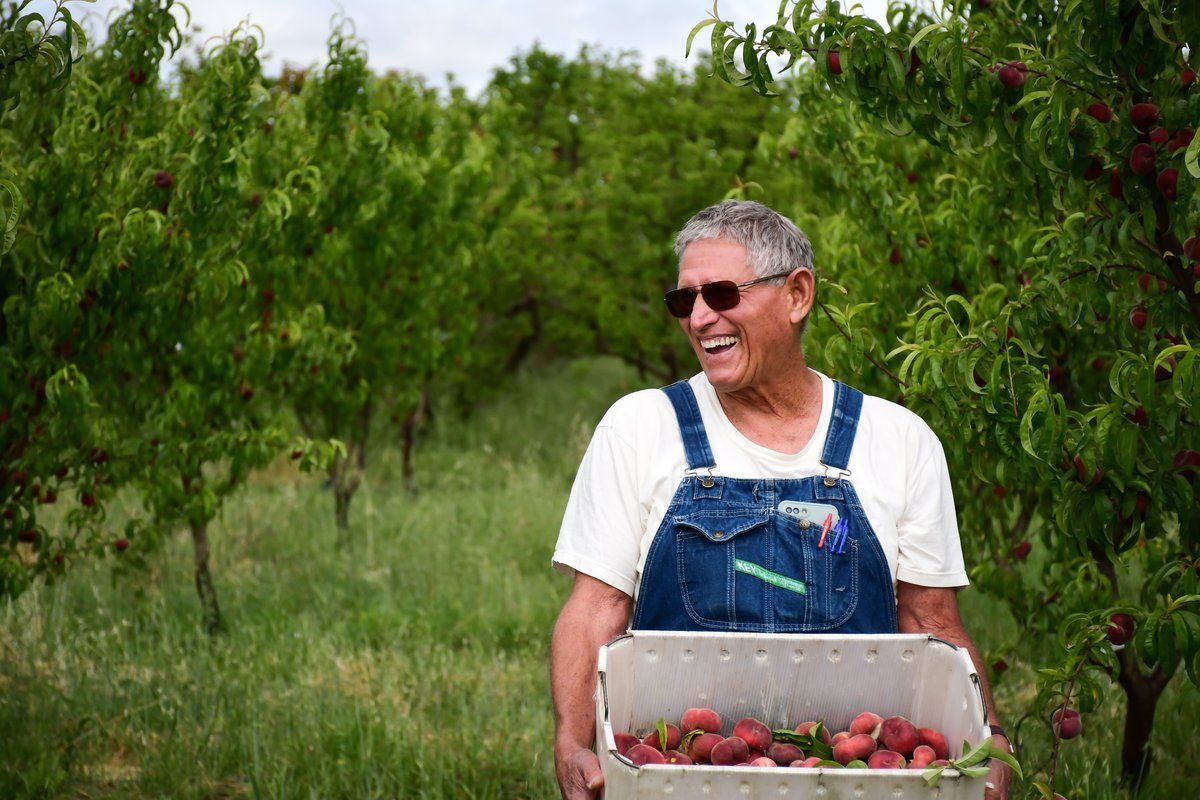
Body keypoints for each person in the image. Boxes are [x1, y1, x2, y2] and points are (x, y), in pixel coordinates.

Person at [549, 199, 1011, 799]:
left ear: (796, 295)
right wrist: (573, 741)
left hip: (847, 780)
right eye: (684, 300)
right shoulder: (640, 428)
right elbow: (595, 608)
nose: (700, 318)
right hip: (679, 775)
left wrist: (990, 736)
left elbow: (931, 621)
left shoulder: (897, 441)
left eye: (721, 294)